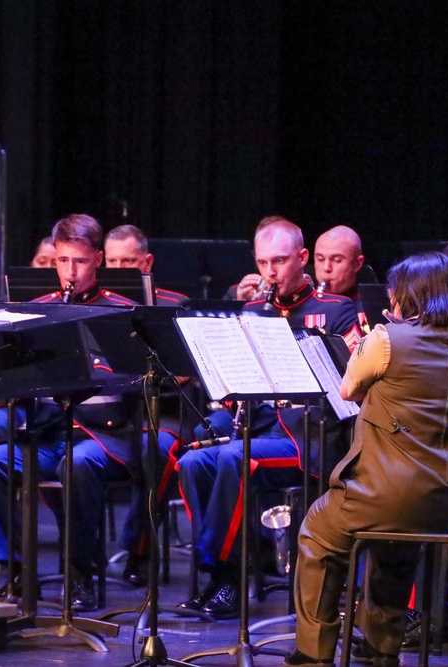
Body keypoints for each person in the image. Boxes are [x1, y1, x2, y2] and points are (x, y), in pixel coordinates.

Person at [285, 253, 448, 667]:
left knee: (318, 531)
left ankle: (312, 654)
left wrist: (386, 332)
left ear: (408, 296)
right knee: (394, 541)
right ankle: (380, 649)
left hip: (384, 495)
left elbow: (348, 390)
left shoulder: (386, 339)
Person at [177, 219, 362, 619]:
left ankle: (224, 575)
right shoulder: (252, 311)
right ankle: (238, 563)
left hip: (312, 435)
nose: (270, 272)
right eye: (263, 263)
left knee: (234, 459)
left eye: (279, 261)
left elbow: (353, 391)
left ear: (302, 258)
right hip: (259, 427)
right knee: (191, 462)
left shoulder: (338, 310)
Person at [0, 213, 147, 611]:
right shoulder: (36, 309)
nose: (70, 271)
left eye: (80, 262)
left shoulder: (123, 311)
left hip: (103, 437)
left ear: (97, 259)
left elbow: (138, 383)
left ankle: (80, 572)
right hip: (48, 433)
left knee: (78, 464)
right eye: (62, 261)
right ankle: (17, 571)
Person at [104, 223, 189, 305]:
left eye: (128, 261)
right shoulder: (92, 304)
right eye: (112, 261)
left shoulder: (176, 304)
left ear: (148, 262)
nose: (118, 268)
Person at [313, 225, 368, 329]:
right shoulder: (304, 304)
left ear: (357, 264)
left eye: (337, 260)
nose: (326, 268)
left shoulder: (371, 308)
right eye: (320, 259)